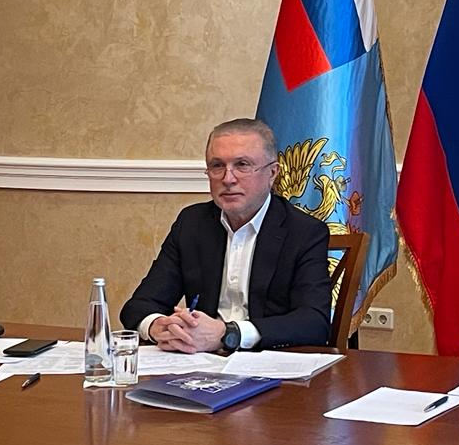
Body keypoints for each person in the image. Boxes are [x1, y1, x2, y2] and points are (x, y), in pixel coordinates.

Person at [121, 118, 331, 353]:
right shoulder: (191, 223)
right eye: (217, 166)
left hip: (269, 362)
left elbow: (314, 322)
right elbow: (138, 306)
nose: (228, 179)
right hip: (200, 362)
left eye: (242, 165)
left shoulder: (304, 231)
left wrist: (229, 333)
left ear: (272, 173)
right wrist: (159, 326)